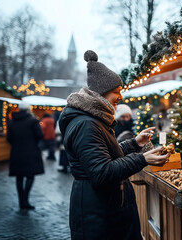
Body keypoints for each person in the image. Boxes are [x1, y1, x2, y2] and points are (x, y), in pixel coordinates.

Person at [59, 50, 169, 240]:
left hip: (106, 209)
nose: (120, 97)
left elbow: (106, 154)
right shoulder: (86, 124)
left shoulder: (95, 120)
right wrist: (142, 158)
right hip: (98, 215)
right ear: (101, 94)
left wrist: (135, 144)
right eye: (116, 92)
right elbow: (101, 171)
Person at [7, 101, 44, 209]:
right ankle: (25, 200)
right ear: (28, 109)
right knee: (30, 176)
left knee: (19, 177)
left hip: (16, 152)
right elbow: (39, 135)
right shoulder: (33, 121)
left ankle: (21, 201)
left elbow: (9, 138)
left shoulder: (12, 121)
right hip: (31, 152)